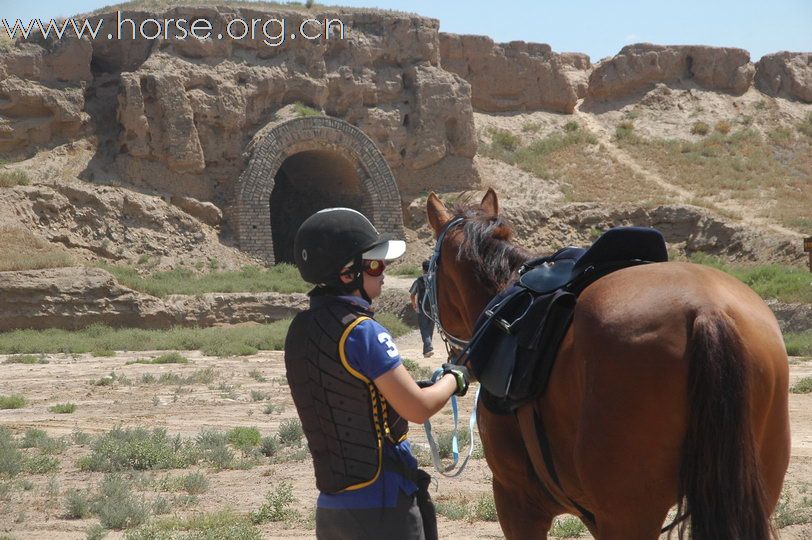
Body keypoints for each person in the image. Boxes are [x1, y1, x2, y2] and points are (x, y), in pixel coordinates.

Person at [284, 207, 470, 540]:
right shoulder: (364, 332)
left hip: (333, 507)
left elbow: (352, 394)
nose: (383, 272)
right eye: (374, 264)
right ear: (346, 274)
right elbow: (417, 408)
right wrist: (456, 377)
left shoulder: (300, 329)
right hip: (383, 508)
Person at [409, 260, 435, 358]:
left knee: (424, 329)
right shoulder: (434, 280)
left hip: (422, 308)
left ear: (423, 268)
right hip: (433, 308)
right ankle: (427, 351)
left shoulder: (419, 280)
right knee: (430, 328)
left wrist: (414, 305)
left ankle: (428, 348)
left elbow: (412, 295)